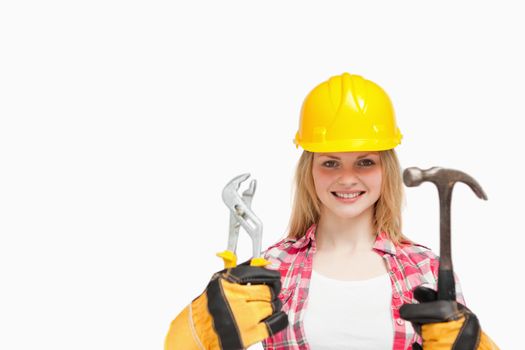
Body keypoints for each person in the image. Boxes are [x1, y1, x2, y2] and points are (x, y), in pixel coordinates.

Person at [164, 73, 499, 349]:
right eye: (330, 162)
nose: (347, 178)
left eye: (365, 162)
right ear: (310, 170)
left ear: (387, 171)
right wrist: (203, 328)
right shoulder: (271, 270)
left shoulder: (426, 271)